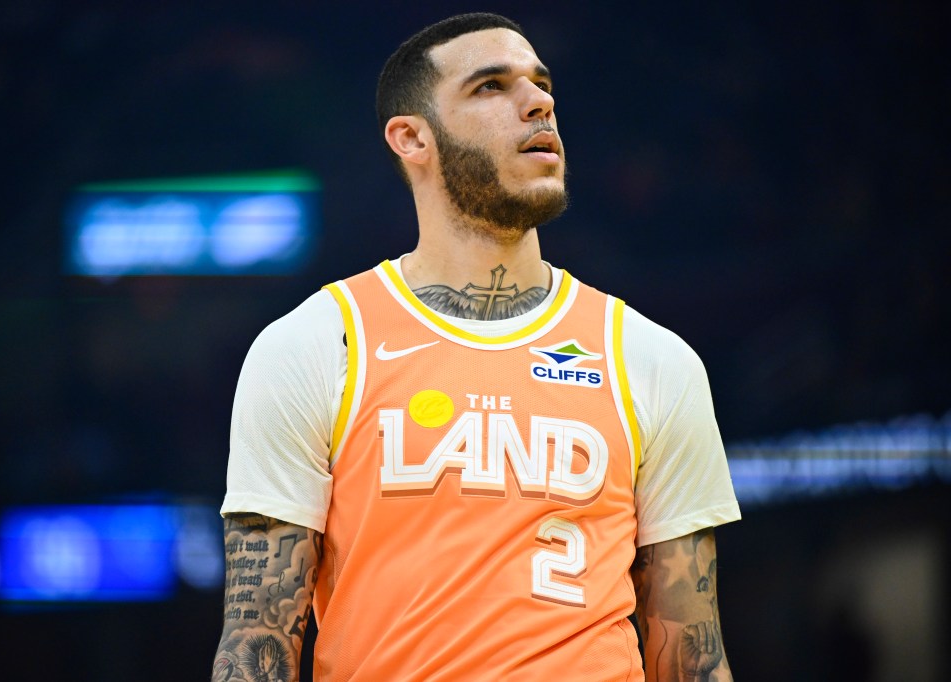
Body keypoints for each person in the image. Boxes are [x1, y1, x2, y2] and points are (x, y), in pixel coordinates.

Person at [212, 12, 741, 682]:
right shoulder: (316, 345)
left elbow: (694, 655)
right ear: (412, 138)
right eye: (492, 86)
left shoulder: (651, 359)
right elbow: (257, 640)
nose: (538, 102)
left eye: (541, 85)